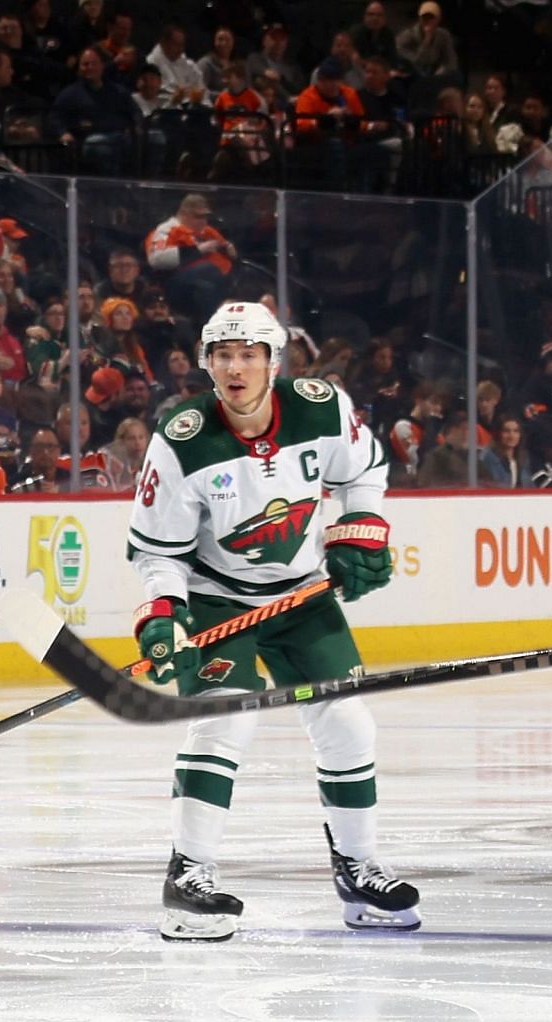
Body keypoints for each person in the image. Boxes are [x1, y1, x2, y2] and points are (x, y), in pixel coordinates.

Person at [125, 300, 418, 942]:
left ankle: (358, 869)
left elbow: (365, 471)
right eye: (222, 355)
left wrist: (360, 530)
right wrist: (164, 616)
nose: (235, 367)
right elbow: (157, 550)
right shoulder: (180, 440)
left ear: (273, 362)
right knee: (228, 720)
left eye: (248, 354)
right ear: (206, 364)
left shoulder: (321, 405)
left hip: (302, 593)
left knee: (348, 723)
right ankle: (188, 877)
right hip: (218, 598)